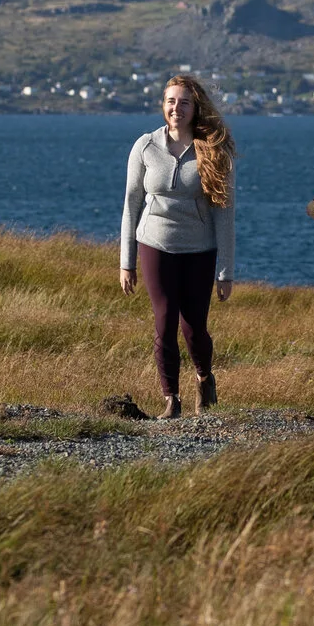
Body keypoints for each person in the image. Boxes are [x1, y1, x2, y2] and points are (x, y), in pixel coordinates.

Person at [119, 74, 235, 419]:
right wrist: (127, 262)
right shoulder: (145, 146)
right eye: (171, 101)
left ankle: (204, 377)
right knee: (165, 319)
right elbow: (131, 204)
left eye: (184, 102)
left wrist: (226, 271)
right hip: (154, 243)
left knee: (194, 326)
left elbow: (225, 214)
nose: (177, 108)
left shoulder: (214, 150)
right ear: (162, 105)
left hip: (199, 250)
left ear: (195, 107)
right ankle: (171, 398)